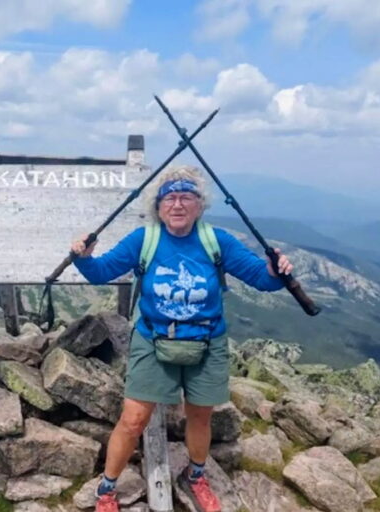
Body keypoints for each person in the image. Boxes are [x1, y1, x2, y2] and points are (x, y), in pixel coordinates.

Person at [70, 165, 293, 512]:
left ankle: (196, 475)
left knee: (200, 416)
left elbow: (261, 279)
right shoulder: (144, 240)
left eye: (186, 197)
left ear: (199, 205)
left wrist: (275, 270)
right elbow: (102, 272)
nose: (177, 204)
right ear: (158, 207)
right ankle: (107, 489)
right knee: (133, 419)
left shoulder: (216, 241)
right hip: (153, 338)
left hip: (207, 340)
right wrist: (84, 259)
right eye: (170, 198)